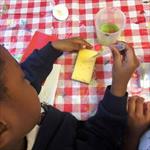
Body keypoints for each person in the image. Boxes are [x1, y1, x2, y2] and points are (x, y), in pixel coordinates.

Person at [0, 37, 139, 150]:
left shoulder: (17, 118)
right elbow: (103, 139)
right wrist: (118, 88)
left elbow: (25, 76)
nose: (28, 79)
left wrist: (52, 49)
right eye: (23, 79)